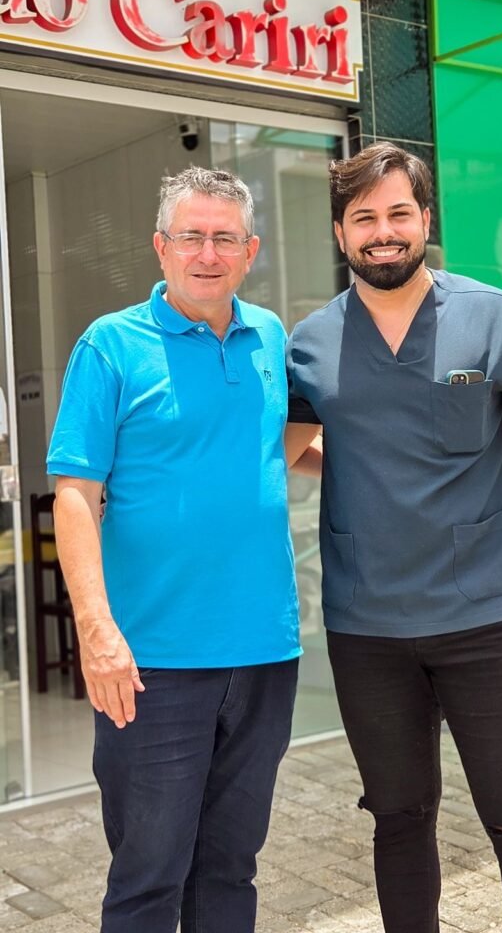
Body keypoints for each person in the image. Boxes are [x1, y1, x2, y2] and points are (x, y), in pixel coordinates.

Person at [285, 141, 502, 933]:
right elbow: (278, 454)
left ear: (425, 220)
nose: (383, 232)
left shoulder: (495, 318)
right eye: (364, 218)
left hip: (487, 617)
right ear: (341, 233)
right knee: (399, 818)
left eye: (398, 214)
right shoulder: (309, 344)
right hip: (369, 627)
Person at [48, 166, 302, 933]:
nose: (208, 253)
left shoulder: (270, 336)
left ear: (251, 250)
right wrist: (97, 631)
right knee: (148, 879)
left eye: (225, 238)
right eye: (191, 236)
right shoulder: (111, 346)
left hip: (264, 654)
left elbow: (275, 444)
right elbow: (74, 495)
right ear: (161, 247)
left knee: (231, 869)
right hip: (152, 663)